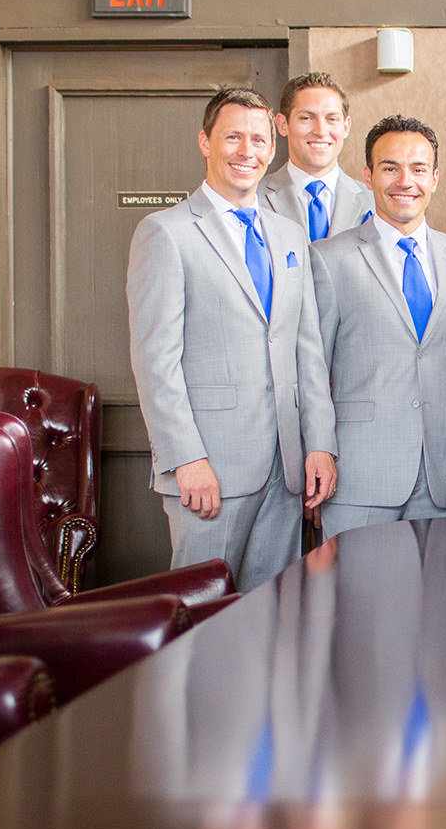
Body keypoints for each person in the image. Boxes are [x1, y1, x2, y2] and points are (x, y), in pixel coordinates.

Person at [126, 87, 337, 592]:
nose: (248, 151)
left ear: (272, 146)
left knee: (271, 616)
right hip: (209, 471)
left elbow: (306, 352)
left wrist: (320, 445)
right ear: (205, 142)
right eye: (233, 137)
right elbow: (156, 361)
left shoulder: (290, 237)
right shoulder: (166, 233)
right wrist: (186, 460)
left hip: (285, 469)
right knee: (202, 619)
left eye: (259, 139)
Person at [310, 114, 446, 537]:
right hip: (359, 475)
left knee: (443, 599)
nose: (404, 180)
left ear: (435, 178)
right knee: (358, 599)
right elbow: (312, 372)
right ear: (369, 175)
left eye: (418, 169)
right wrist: (317, 454)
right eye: (390, 167)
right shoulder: (328, 259)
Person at [260, 72, 375, 240]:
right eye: (307, 118)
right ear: (282, 125)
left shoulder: (375, 201)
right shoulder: (254, 197)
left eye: (331, 119)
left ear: (346, 126)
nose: (320, 131)